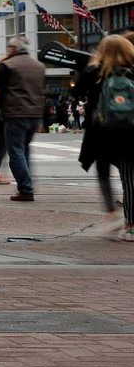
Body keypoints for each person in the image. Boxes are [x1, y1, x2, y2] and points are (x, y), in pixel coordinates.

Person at [76, 33, 134, 239]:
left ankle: (120, 218)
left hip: (106, 133)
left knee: (113, 175)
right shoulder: (131, 71)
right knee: (129, 177)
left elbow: (78, 90)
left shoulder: (100, 73)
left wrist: (92, 65)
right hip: (129, 132)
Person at [0, 36, 46, 202]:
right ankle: (27, 184)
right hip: (35, 113)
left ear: (13, 49)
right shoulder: (39, 66)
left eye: (9, 48)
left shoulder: (8, 65)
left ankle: (25, 188)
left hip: (15, 113)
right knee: (25, 149)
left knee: (15, 150)